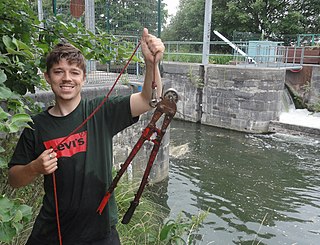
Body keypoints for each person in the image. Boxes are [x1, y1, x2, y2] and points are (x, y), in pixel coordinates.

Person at [8, 28, 165, 245]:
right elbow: (14, 179)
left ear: (83, 77)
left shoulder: (101, 111)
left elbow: (149, 100)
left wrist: (151, 64)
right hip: (52, 234)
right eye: (58, 72)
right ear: (47, 77)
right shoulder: (36, 126)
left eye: (74, 72)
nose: (66, 78)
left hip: (100, 235)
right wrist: (34, 167)